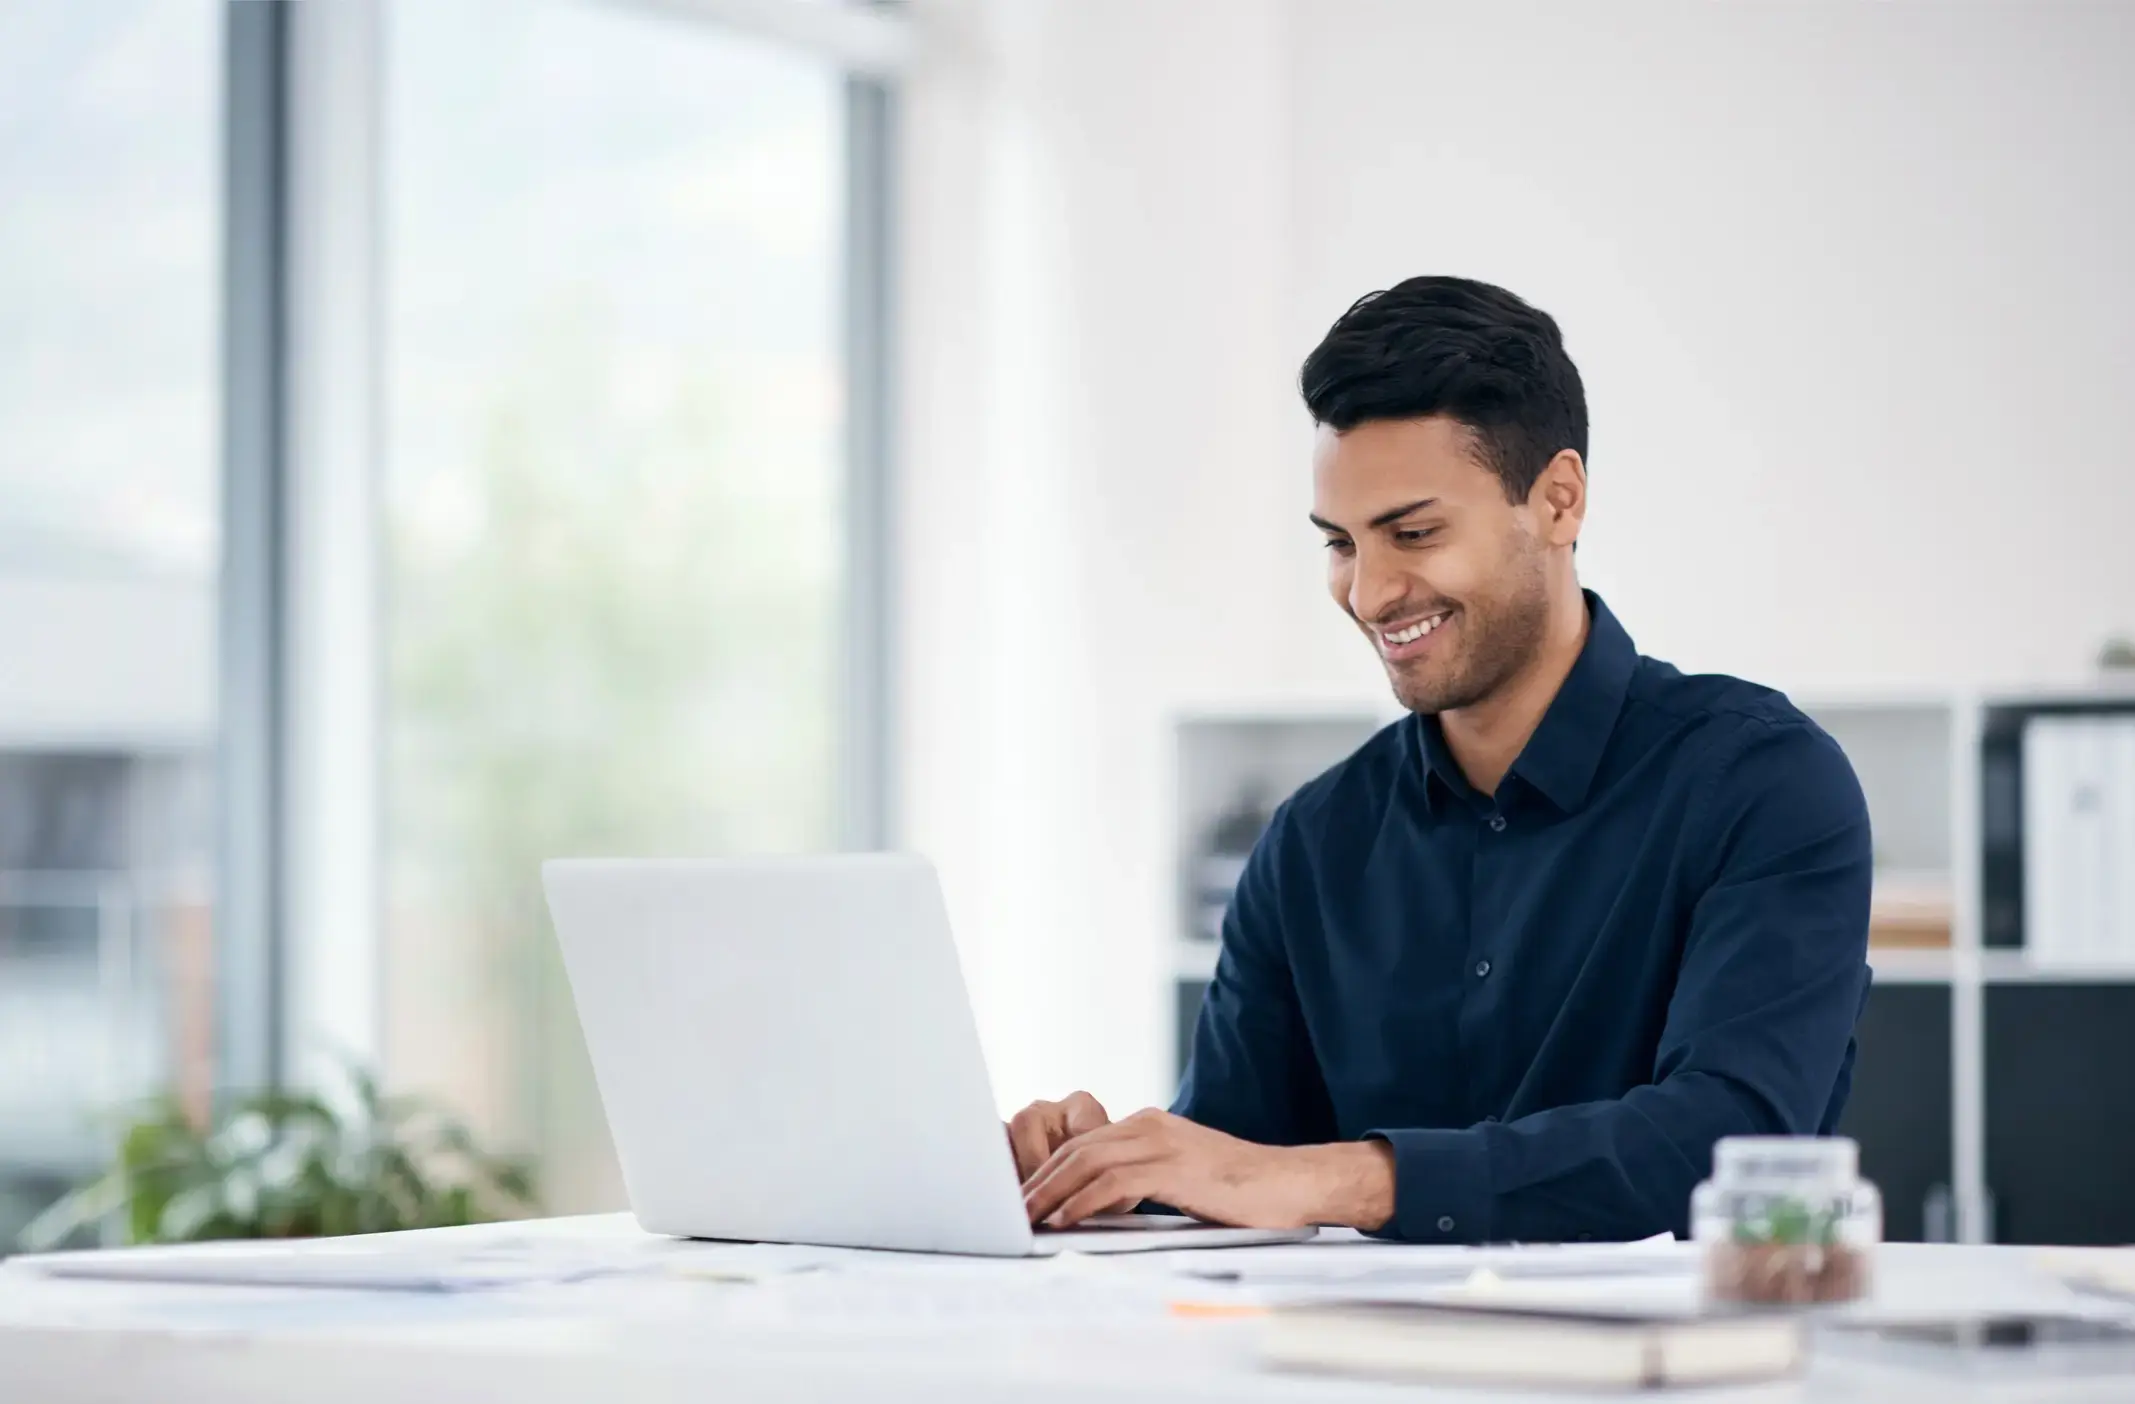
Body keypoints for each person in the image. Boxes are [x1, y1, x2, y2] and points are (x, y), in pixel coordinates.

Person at [1010, 276, 1873, 1244]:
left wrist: (1360, 1178)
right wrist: (1104, 1174)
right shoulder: (1311, 843)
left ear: (1556, 500)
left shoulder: (1760, 784)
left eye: (1412, 534)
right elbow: (1239, 1163)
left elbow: (1731, 1143)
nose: (1370, 592)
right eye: (1339, 544)